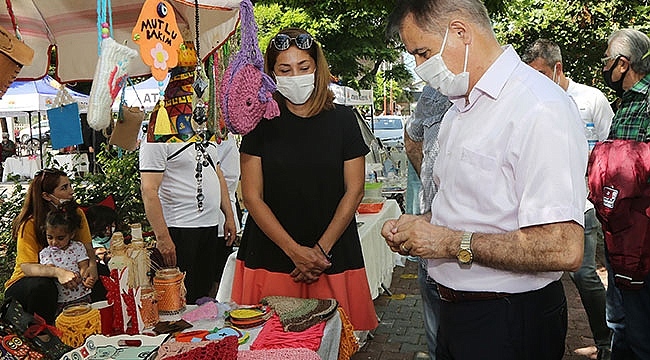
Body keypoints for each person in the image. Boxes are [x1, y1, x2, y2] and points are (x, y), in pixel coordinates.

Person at [382, 1, 588, 358]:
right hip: (457, 313)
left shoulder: (539, 107)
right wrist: (419, 227)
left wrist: (448, 243)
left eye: (422, 53)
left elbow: (563, 247)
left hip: (509, 319)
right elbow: (468, 209)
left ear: (460, 33)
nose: (418, 68)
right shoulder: (460, 109)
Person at [231, 28, 378, 331]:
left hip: (332, 256)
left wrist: (320, 251)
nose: (295, 76)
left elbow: (355, 190)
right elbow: (252, 196)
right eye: (284, 69)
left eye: (304, 67)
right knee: (269, 344)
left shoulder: (344, 121)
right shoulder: (259, 123)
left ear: (317, 68)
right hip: (271, 254)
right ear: (271, 74)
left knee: (336, 341)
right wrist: (294, 251)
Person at [522, 38, 613, 360]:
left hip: (583, 205)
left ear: (558, 68)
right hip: (541, 209)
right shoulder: (530, 101)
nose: (535, 80)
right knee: (539, 277)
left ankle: (605, 341)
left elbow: (611, 151)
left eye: (541, 73)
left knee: (583, 274)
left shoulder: (590, 99)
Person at [593, 28, 650, 360]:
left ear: (623, 63)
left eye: (607, 61)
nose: (605, 68)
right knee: (620, 325)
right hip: (619, 238)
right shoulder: (625, 104)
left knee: (641, 332)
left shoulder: (646, 103)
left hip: (642, 244)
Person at [140, 128, 237, 305]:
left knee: (203, 291)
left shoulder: (205, 131)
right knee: (177, 297)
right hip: (179, 228)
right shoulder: (157, 136)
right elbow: (148, 190)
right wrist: (163, 238)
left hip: (210, 225)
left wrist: (229, 216)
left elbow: (218, 173)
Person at [4, 168, 98, 324]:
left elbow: (88, 249)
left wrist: (92, 267)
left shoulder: (76, 214)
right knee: (43, 286)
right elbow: (27, 267)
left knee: (100, 274)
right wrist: (59, 273)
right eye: (64, 188)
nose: (71, 192)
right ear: (47, 196)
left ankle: (97, 323)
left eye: (70, 185)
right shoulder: (29, 223)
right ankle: (43, 335)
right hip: (28, 282)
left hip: (71, 271)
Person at [403, 85, 451, 358]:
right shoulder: (434, 92)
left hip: (477, 262)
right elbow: (411, 136)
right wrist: (428, 176)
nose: (421, 65)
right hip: (430, 253)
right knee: (437, 345)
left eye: (423, 53)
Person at [40, 203, 93, 314]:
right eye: (50, 237)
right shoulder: (46, 253)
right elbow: (51, 270)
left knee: (84, 318)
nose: (54, 242)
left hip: (82, 295)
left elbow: (83, 266)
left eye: (60, 238)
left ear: (71, 234)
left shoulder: (77, 247)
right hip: (61, 299)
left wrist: (84, 278)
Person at [209, 134, 241, 298]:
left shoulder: (225, 139)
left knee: (218, 282)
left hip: (221, 220)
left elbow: (229, 181)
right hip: (193, 222)